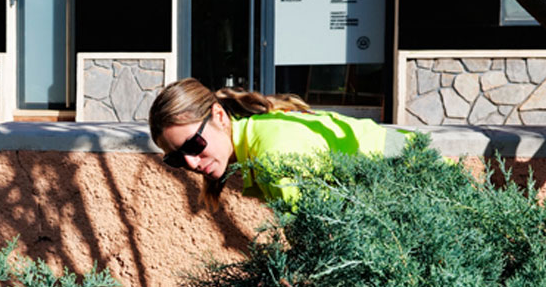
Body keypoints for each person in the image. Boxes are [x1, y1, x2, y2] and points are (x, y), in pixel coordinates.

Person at [148, 78, 407, 210]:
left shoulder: (271, 154)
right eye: (176, 159)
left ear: (218, 116)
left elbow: (323, 236)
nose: (190, 163)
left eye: (193, 144)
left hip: (414, 179)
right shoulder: (258, 134)